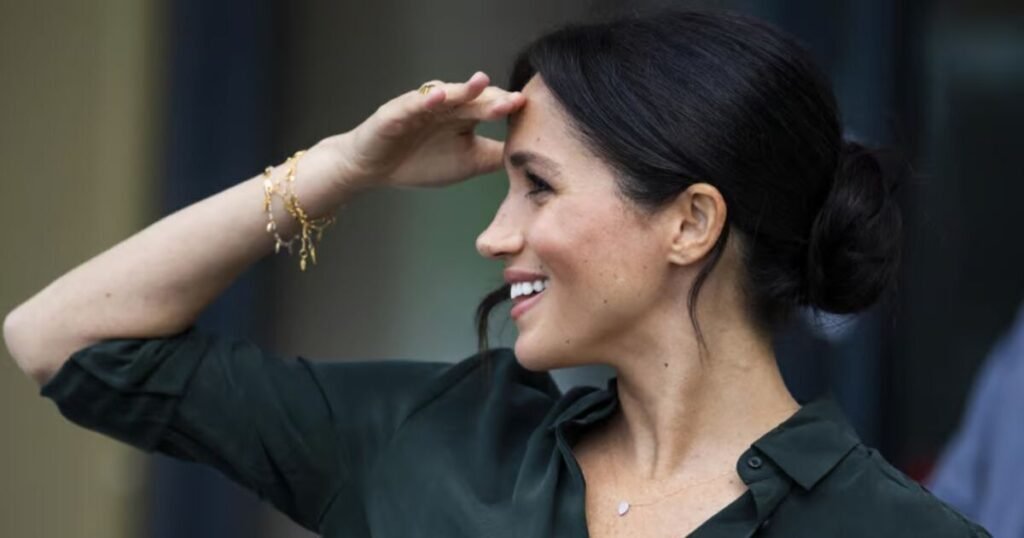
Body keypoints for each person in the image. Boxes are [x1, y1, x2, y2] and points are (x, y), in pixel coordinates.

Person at [3, 9, 990, 538]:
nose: (493, 236)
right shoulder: (436, 441)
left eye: (537, 188)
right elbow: (60, 340)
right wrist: (338, 170)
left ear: (690, 222)